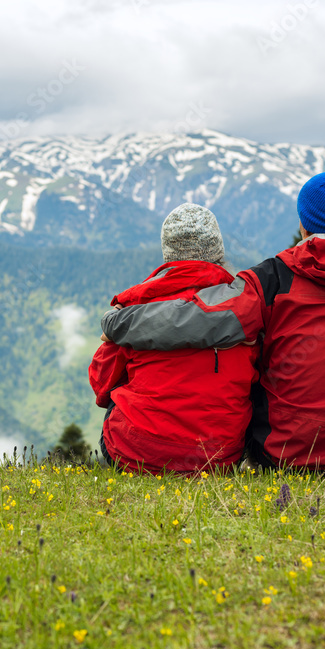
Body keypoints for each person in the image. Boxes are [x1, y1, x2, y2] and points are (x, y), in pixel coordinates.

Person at [101, 172, 325, 475]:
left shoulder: (272, 279)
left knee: (251, 340)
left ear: (303, 223)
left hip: (283, 454)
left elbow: (194, 319)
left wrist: (119, 322)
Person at [89, 203, 259, 474]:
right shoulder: (244, 308)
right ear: (217, 248)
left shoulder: (135, 307)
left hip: (135, 454)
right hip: (218, 458)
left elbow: (101, 385)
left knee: (116, 395)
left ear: (168, 251)